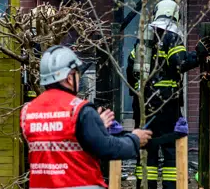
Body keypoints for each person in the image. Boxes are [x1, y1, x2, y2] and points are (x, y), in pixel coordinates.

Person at [22, 45, 153, 189]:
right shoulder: (79, 109)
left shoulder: (28, 111)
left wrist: (96, 125)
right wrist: (134, 139)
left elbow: (57, 141)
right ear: (70, 78)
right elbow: (107, 148)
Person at [125, 0, 210, 189]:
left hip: (142, 105)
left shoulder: (143, 39)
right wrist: (199, 54)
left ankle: (145, 186)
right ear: (175, 15)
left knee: (146, 148)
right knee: (169, 150)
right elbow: (180, 62)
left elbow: (130, 69)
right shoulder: (171, 37)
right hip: (166, 105)